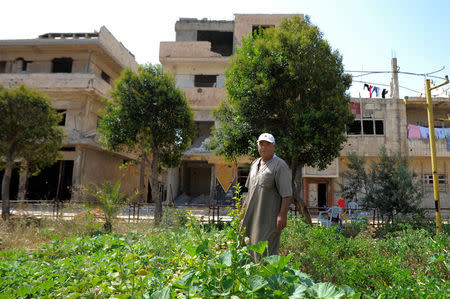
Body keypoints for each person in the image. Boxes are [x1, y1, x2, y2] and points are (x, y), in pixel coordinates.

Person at [241, 133, 292, 261]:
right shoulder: (254, 164)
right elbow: (249, 190)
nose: (264, 147)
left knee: (266, 252)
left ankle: (267, 280)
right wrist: (242, 211)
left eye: (267, 144)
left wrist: (282, 214)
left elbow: (287, 193)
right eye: (261, 144)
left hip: (268, 219)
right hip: (251, 217)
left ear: (274, 146)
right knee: (248, 249)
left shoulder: (280, 165)